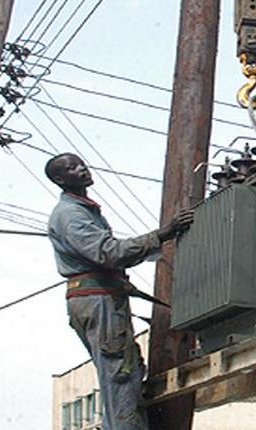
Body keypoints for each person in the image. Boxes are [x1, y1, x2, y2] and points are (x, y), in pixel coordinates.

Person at [45, 153, 193, 430]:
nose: (82, 169)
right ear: (59, 179)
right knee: (120, 378)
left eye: (81, 164)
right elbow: (109, 253)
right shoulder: (70, 215)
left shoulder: (82, 210)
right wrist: (164, 233)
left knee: (126, 372)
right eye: (72, 168)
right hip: (98, 300)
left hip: (101, 298)